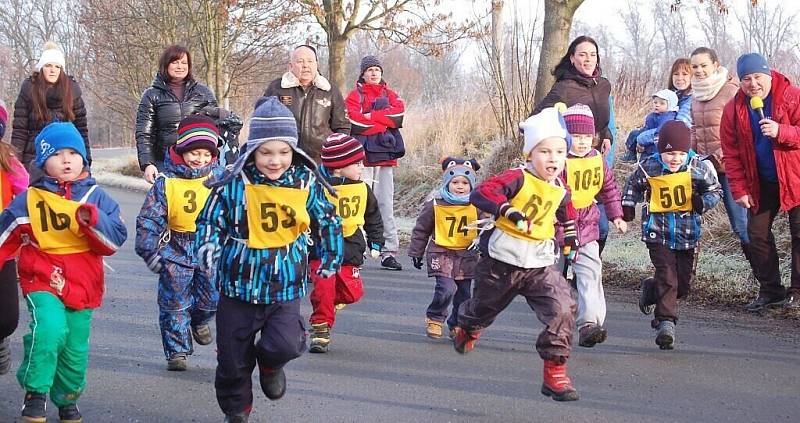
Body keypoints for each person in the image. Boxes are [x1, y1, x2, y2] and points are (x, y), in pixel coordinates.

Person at [194, 97, 342, 422]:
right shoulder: (233, 184)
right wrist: (208, 249)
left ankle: (272, 365)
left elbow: (328, 219)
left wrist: (331, 254)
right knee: (233, 361)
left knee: (286, 343)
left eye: (283, 152)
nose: (275, 161)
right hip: (237, 286)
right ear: (253, 150)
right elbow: (209, 220)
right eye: (266, 152)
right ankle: (237, 410)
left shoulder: (305, 182)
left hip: (285, 284)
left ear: (294, 151)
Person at [0, 122, 127, 422]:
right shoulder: (31, 200)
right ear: (44, 162)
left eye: (73, 152)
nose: (67, 159)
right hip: (41, 279)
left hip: (84, 285)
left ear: (84, 158)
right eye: (57, 154)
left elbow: (115, 240)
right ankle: (36, 392)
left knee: (74, 350)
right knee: (50, 330)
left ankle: (66, 398)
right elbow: (5, 235)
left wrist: (91, 220)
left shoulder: (96, 196)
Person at [453, 107, 580, 402]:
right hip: (502, 262)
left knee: (563, 307)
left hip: (539, 264)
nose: (553, 159)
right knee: (482, 309)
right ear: (530, 155)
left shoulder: (560, 188)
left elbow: (566, 213)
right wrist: (508, 210)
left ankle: (555, 372)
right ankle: (469, 328)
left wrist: (570, 238)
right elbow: (483, 192)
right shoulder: (518, 178)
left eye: (559, 152)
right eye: (545, 151)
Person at [622, 121, 722, 350]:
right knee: (668, 276)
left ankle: (651, 290)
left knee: (683, 284)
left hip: (688, 233)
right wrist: (628, 206)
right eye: (669, 153)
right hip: (658, 232)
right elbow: (633, 185)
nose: (674, 159)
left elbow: (715, 190)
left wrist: (702, 202)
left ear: (687, 151)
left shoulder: (698, 167)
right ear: (660, 151)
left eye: (679, 153)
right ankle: (665, 323)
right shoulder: (650, 166)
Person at [135, 115, 224, 371]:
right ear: (182, 150)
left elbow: (236, 212)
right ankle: (177, 351)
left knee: (211, 299)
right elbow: (149, 219)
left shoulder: (219, 178)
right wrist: (149, 250)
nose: (200, 159)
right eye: (194, 153)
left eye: (206, 154)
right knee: (174, 303)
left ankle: (199, 320)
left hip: (210, 248)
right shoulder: (167, 182)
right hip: (176, 248)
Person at [720, 53, 800, 311]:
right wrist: (739, 189)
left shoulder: (791, 96)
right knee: (756, 233)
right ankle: (771, 291)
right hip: (761, 181)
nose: (753, 84)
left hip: (795, 176)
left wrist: (781, 131)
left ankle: (797, 293)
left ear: (768, 74)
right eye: (746, 79)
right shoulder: (734, 109)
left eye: (757, 77)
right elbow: (730, 153)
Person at [533, 35, 617, 253]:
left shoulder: (603, 85)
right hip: (568, 165)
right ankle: (562, 273)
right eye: (582, 55)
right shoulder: (564, 88)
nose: (588, 59)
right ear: (572, 58)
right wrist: (556, 145)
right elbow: (536, 118)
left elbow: (599, 120)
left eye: (592, 54)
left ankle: (582, 275)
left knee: (601, 227)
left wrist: (606, 134)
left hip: (594, 161)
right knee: (566, 225)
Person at [307, 133, 384, 353]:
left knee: (352, 293)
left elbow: (373, 217)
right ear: (339, 167)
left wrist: (376, 242)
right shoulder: (318, 188)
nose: (362, 168)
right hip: (322, 248)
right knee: (323, 288)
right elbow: (305, 214)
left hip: (351, 246)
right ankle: (320, 328)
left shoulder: (362, 189)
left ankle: (330, 303)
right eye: (357, 163)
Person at [557, 104, 626, 348]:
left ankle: (589, 324)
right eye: (576, 137)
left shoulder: (597, 159)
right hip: (556, 227)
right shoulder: (557, 160)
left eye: (587, 137)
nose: (583, 142)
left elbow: (609, 188)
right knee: (553, 278)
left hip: (587, 223)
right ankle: (555, 321)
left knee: (590, 273)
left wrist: (617, 215)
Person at [408, 157, 481, 340]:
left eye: (465, 183)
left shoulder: (478, 206)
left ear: (471, 185)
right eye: (455, 182)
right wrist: (416, 252)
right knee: (446, 288)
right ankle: (435, 317)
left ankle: (457, 323)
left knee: (464, 293)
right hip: (441, 252)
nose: (460, 186)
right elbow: (421, 229)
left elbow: (487, 228)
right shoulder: (435, 204)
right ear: (447, 183)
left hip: (467, 255)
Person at [689, 47, 751, 260]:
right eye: (695, 66)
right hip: (705, 168)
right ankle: (683, 277)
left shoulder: (731, 91)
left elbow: (742, 132)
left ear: (715, 65)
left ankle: (764, 279)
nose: (699, 71)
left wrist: (717, 156)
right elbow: (695, 130)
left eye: (704, 65)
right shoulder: (695, 94)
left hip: (730, 167)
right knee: (687, 217)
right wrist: (690, 156)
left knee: (741, 224)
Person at [345, 55, 406, 270]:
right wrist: (382, 122)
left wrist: (370, 117)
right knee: (359, 205)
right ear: (362, 73)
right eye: (369, 69)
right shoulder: (354, 95)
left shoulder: (390, 94)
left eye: (377, 70)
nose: (373, 73)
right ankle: (357, 251)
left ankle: (388, 252)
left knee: (385, 206)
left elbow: (398, 115)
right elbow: (352, 121)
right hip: (360, 160)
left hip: (385, 159)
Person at [136, 44, 218, 183]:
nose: (180, 66)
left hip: (199, 163)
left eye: (184, 63)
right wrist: (148, 164)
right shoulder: (151, 95)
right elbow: (144, 133)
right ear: (166, 65)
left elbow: (216, 127)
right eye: (175, 62)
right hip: (165, 162)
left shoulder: (204, 93)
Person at [11, 42, 90, 170]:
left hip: (64, 154)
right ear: (42, 67)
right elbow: (20, 130)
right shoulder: (29, 90)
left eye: (57, 67)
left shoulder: (72, 91)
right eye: (48, 66)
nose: (53, 70)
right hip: (34, 156)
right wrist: (15, 163)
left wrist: (86, 160)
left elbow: (81, 129)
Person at [264, 45, 350, 163]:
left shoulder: (330, 90)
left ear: (316, 64)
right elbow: (264, 123)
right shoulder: (276, 88)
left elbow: (342, 126)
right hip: (285, 161)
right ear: (290, 66)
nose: (305, 65)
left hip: (322, 160)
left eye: (310, 61)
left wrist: (336, 153)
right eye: (300, 61)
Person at [0, 101, 30, 376]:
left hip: (3, 250)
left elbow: (26, 199)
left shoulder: (9, 164)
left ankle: (0, 339)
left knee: (7, 318)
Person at [620, 58, 694, 162]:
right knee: (635, 134)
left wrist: (641, 139)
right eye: (676, 74)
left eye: (685, 74)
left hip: (676, 151)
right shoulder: (672, 96)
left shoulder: (691, 100)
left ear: (692, 77)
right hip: (660, 138)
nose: (680, 78)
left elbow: (675, 130)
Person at [622, 90, 679, 160]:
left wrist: (642, 138)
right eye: (655, 102)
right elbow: (647, 126)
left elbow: (662, 129)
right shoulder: (655, 114)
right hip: (648, 133)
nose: (657, 105)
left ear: (670, 105)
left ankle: (643, 162)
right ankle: (631, 154)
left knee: (648, 157)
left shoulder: (668, 116)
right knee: (634, 134)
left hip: (655, 140)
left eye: (662, 103)